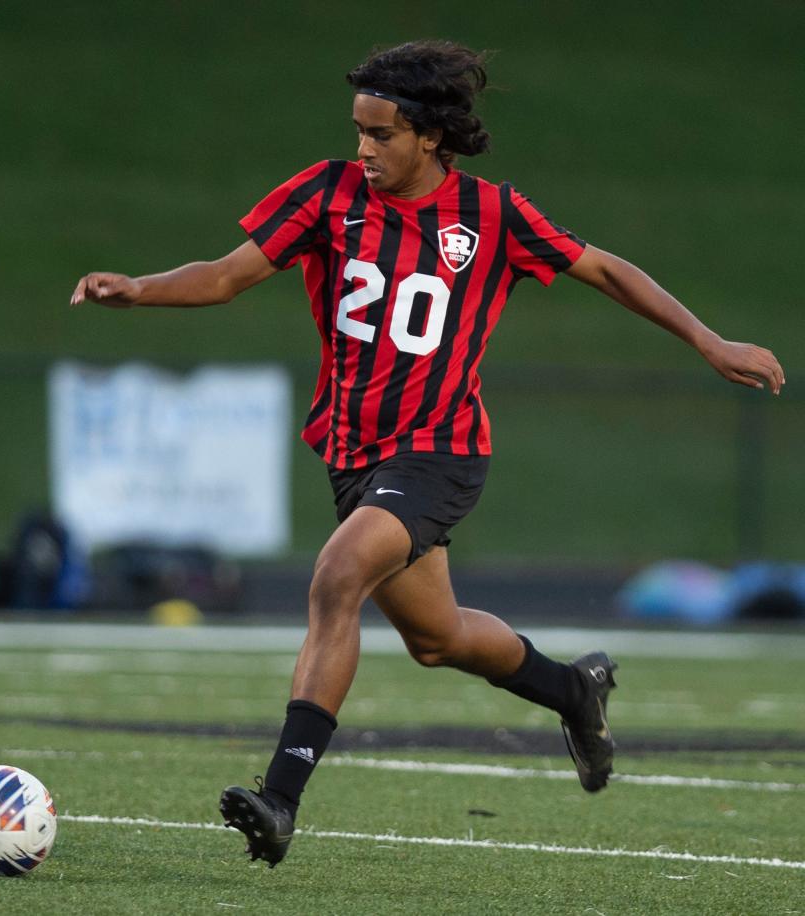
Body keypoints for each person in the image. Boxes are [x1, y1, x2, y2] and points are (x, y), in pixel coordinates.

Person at [71, 40, 785, 867]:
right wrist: (139, 287)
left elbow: (606, 270)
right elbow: (228, 275)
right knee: (438, 638)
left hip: (440, 450)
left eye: (380, 134)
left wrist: (707, 340)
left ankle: (280, 796)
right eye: (358, 131)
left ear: (431, 135)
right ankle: (571, 690)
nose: (363, 150)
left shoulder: (492, 216)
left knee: (338, 575)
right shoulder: (326, 194)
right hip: (353, 453)